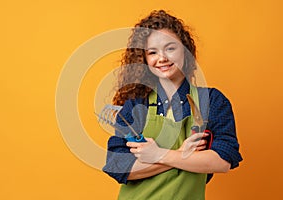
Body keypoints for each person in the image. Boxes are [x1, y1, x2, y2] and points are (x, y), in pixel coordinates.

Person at [102, 10, 242, 200]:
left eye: (170, 48)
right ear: (144, 59)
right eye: (152, 52)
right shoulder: (136, 104)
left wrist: (159, 154)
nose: (162, 58)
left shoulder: (212, 101)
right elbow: (118, 166)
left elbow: (223, 160)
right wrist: (182, 155)